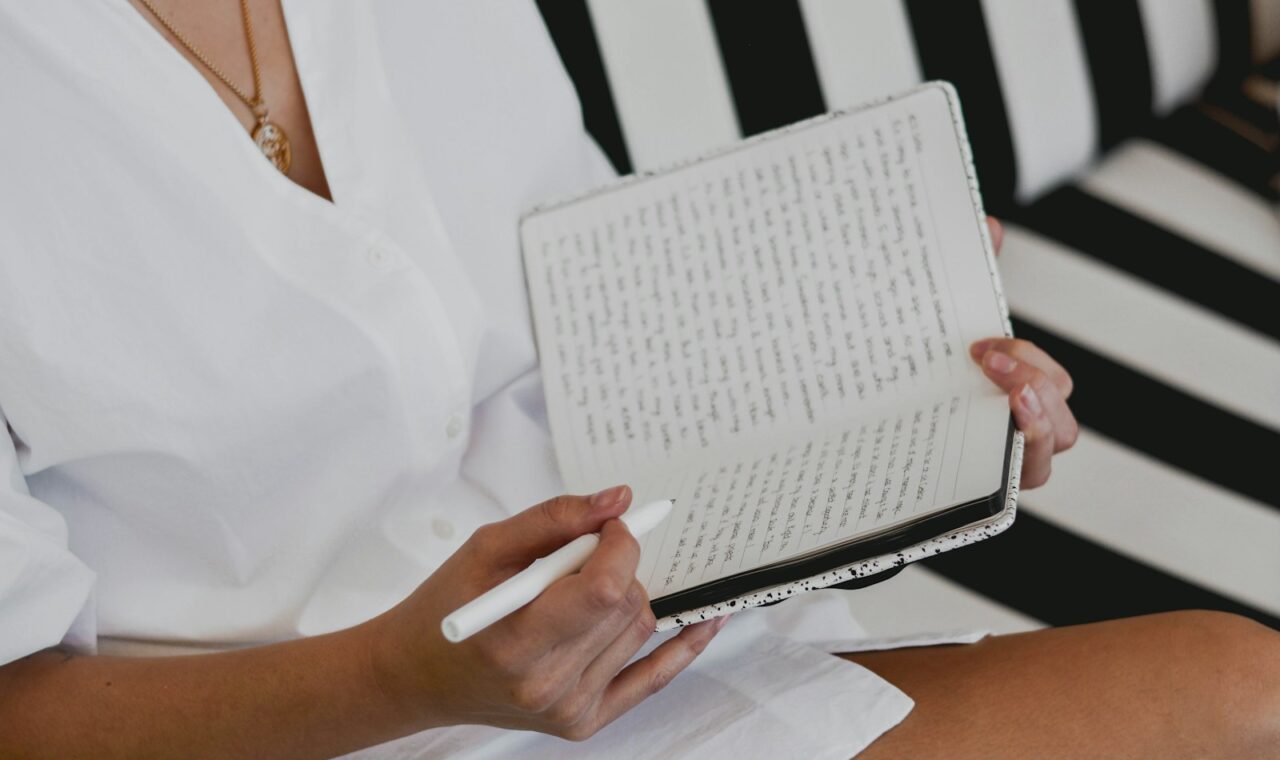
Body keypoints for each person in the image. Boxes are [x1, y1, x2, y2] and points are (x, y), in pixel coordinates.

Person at [0, 3, 1275, 758]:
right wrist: (400, 677)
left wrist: (888, 428)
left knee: (1240, 697)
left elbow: (578, 325)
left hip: (667, 658)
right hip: (327, 726)